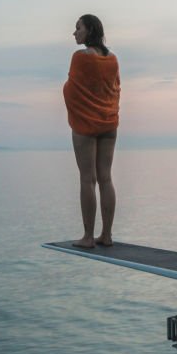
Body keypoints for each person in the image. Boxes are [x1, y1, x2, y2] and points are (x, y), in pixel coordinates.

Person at [63, 14, 120, 248]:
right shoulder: (113, 58)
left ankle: (88, 237)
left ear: (90, 31)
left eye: (78, 28)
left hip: (86, 124)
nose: (74, 32)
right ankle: (106, 235)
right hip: (109, 122)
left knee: (88, 179)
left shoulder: (80, 57)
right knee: (106, 178)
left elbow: (71, 88)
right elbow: (114, 88)